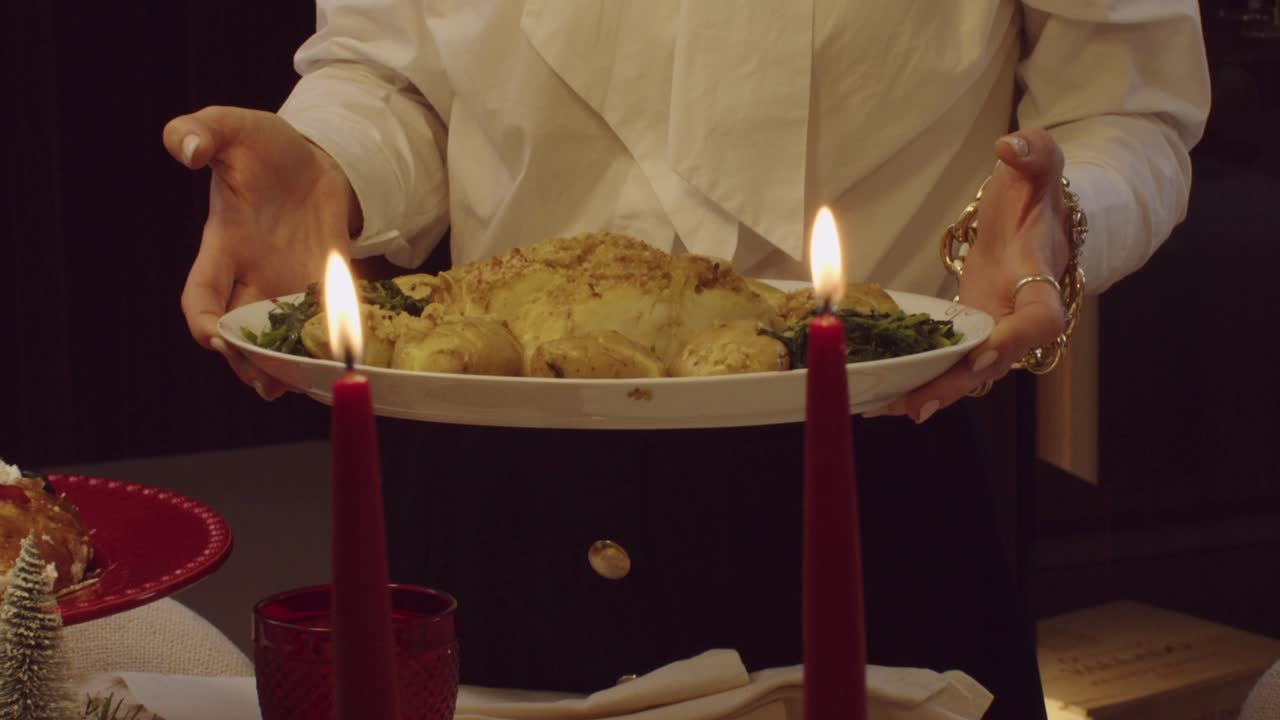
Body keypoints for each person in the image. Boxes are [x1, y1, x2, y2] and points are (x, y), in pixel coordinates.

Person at [162, 2, 1210, 718]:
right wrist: (332, 160)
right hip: (492, 473)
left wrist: (1062, 217)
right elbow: (388, 70)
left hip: (876, 479)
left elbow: (1128, 108)